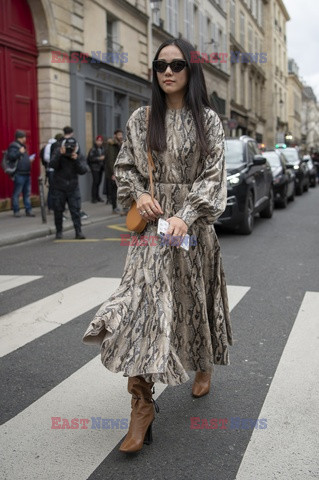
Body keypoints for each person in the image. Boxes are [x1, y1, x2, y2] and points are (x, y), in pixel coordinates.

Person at [82, 38, 232, 453]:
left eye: (177, 64)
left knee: (193, 301)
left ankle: (202, 362)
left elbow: (214, 174)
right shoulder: (141, 118)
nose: (168, 71)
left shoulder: (208, 120)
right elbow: (125, 166)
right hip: (151, 230)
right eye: (160, 65)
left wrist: (187, 214)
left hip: (192, 229)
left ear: (191, 70)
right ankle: (141, 405)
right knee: (142, 309)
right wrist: (138, 194)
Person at [50, 136, 88, 239]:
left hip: (73, 187)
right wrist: (59, 154)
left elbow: (84, 170)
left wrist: (76, 160)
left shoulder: (78, 154)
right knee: (58, 210)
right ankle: (59, 232)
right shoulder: (58, 151)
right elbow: (52, 165)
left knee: (75, 210)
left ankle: (78, 232)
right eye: (68, 146)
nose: (70, 148)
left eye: (72, 146)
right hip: (59, 187)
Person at [8, 130, 36, 217]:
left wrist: (29, 160)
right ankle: (16, 210)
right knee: (17, 193)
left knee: (27, 193)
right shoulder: (13, 146)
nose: (25, 138)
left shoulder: (22, 146)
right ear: (20, 137)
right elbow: (11, 157)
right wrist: (19, 152)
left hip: (26, 173)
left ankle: (28, 210)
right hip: (19, 173)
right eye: (24, 137)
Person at [104, 129, 125, 214]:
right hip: (114, 172)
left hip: (121, 171)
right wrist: (113, 173)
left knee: (122, 189)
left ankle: (123, 207)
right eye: (119, 135)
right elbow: (111, 160)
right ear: (115, 135)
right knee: (114, 190)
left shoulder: (121, 144)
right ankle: (114, 208)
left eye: (121, 134)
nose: (121, 136)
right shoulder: (112, 145)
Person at [87, 135, 105, 203]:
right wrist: (99, 158)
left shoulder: (102, 148)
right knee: (95, 182)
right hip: (95, 168)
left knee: (98, 182)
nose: (99, 142)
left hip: (100, 168)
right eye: (98, 140)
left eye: (101, 141)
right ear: (96, 141)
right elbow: (90, 158)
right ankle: (93, 197)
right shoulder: (93, 149)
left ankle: (97, 196)